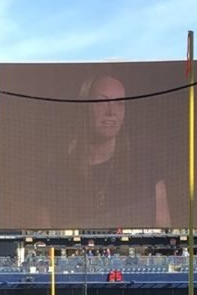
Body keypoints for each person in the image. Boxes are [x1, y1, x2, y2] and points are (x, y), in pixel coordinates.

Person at [58, 74, 171, 227]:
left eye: (119, 103)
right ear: (85, 107)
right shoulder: (59, 172)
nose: (111, 112)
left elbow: (165, 229)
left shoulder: (147, 164)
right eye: (102, 102)